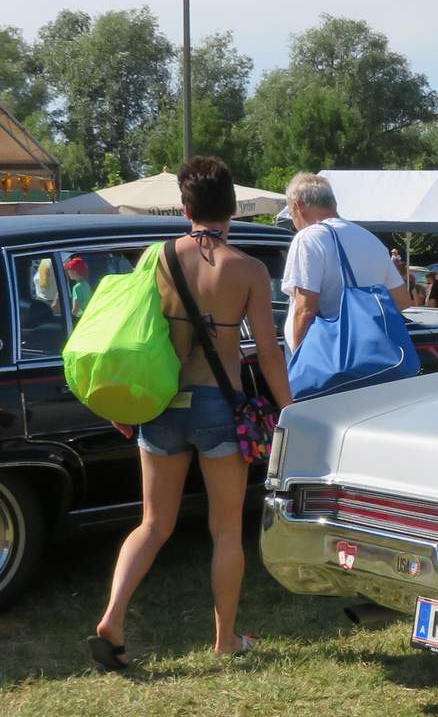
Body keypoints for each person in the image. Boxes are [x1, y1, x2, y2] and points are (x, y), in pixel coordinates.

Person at [87, 156, 293, 671]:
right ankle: (225, 638)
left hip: (160, 403)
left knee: (153, 524)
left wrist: (123, 402)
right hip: (219, 407)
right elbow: (267, 353)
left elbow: (130, 335)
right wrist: (290, 408)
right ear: (232, 209)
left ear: (185, 208)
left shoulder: (154, 258)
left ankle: (112, 617)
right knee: (225, 529)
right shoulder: (246, 269)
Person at [282, 172, 412, 353]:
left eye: (291, 214)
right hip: (370, 354)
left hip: (327, 359)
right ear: (333, 203)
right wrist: (363, 324)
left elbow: (305, 312)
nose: (293, 222)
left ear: (299, 207)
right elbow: (402, 300)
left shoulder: (309, 238)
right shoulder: (370, 239)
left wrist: (299, 363)